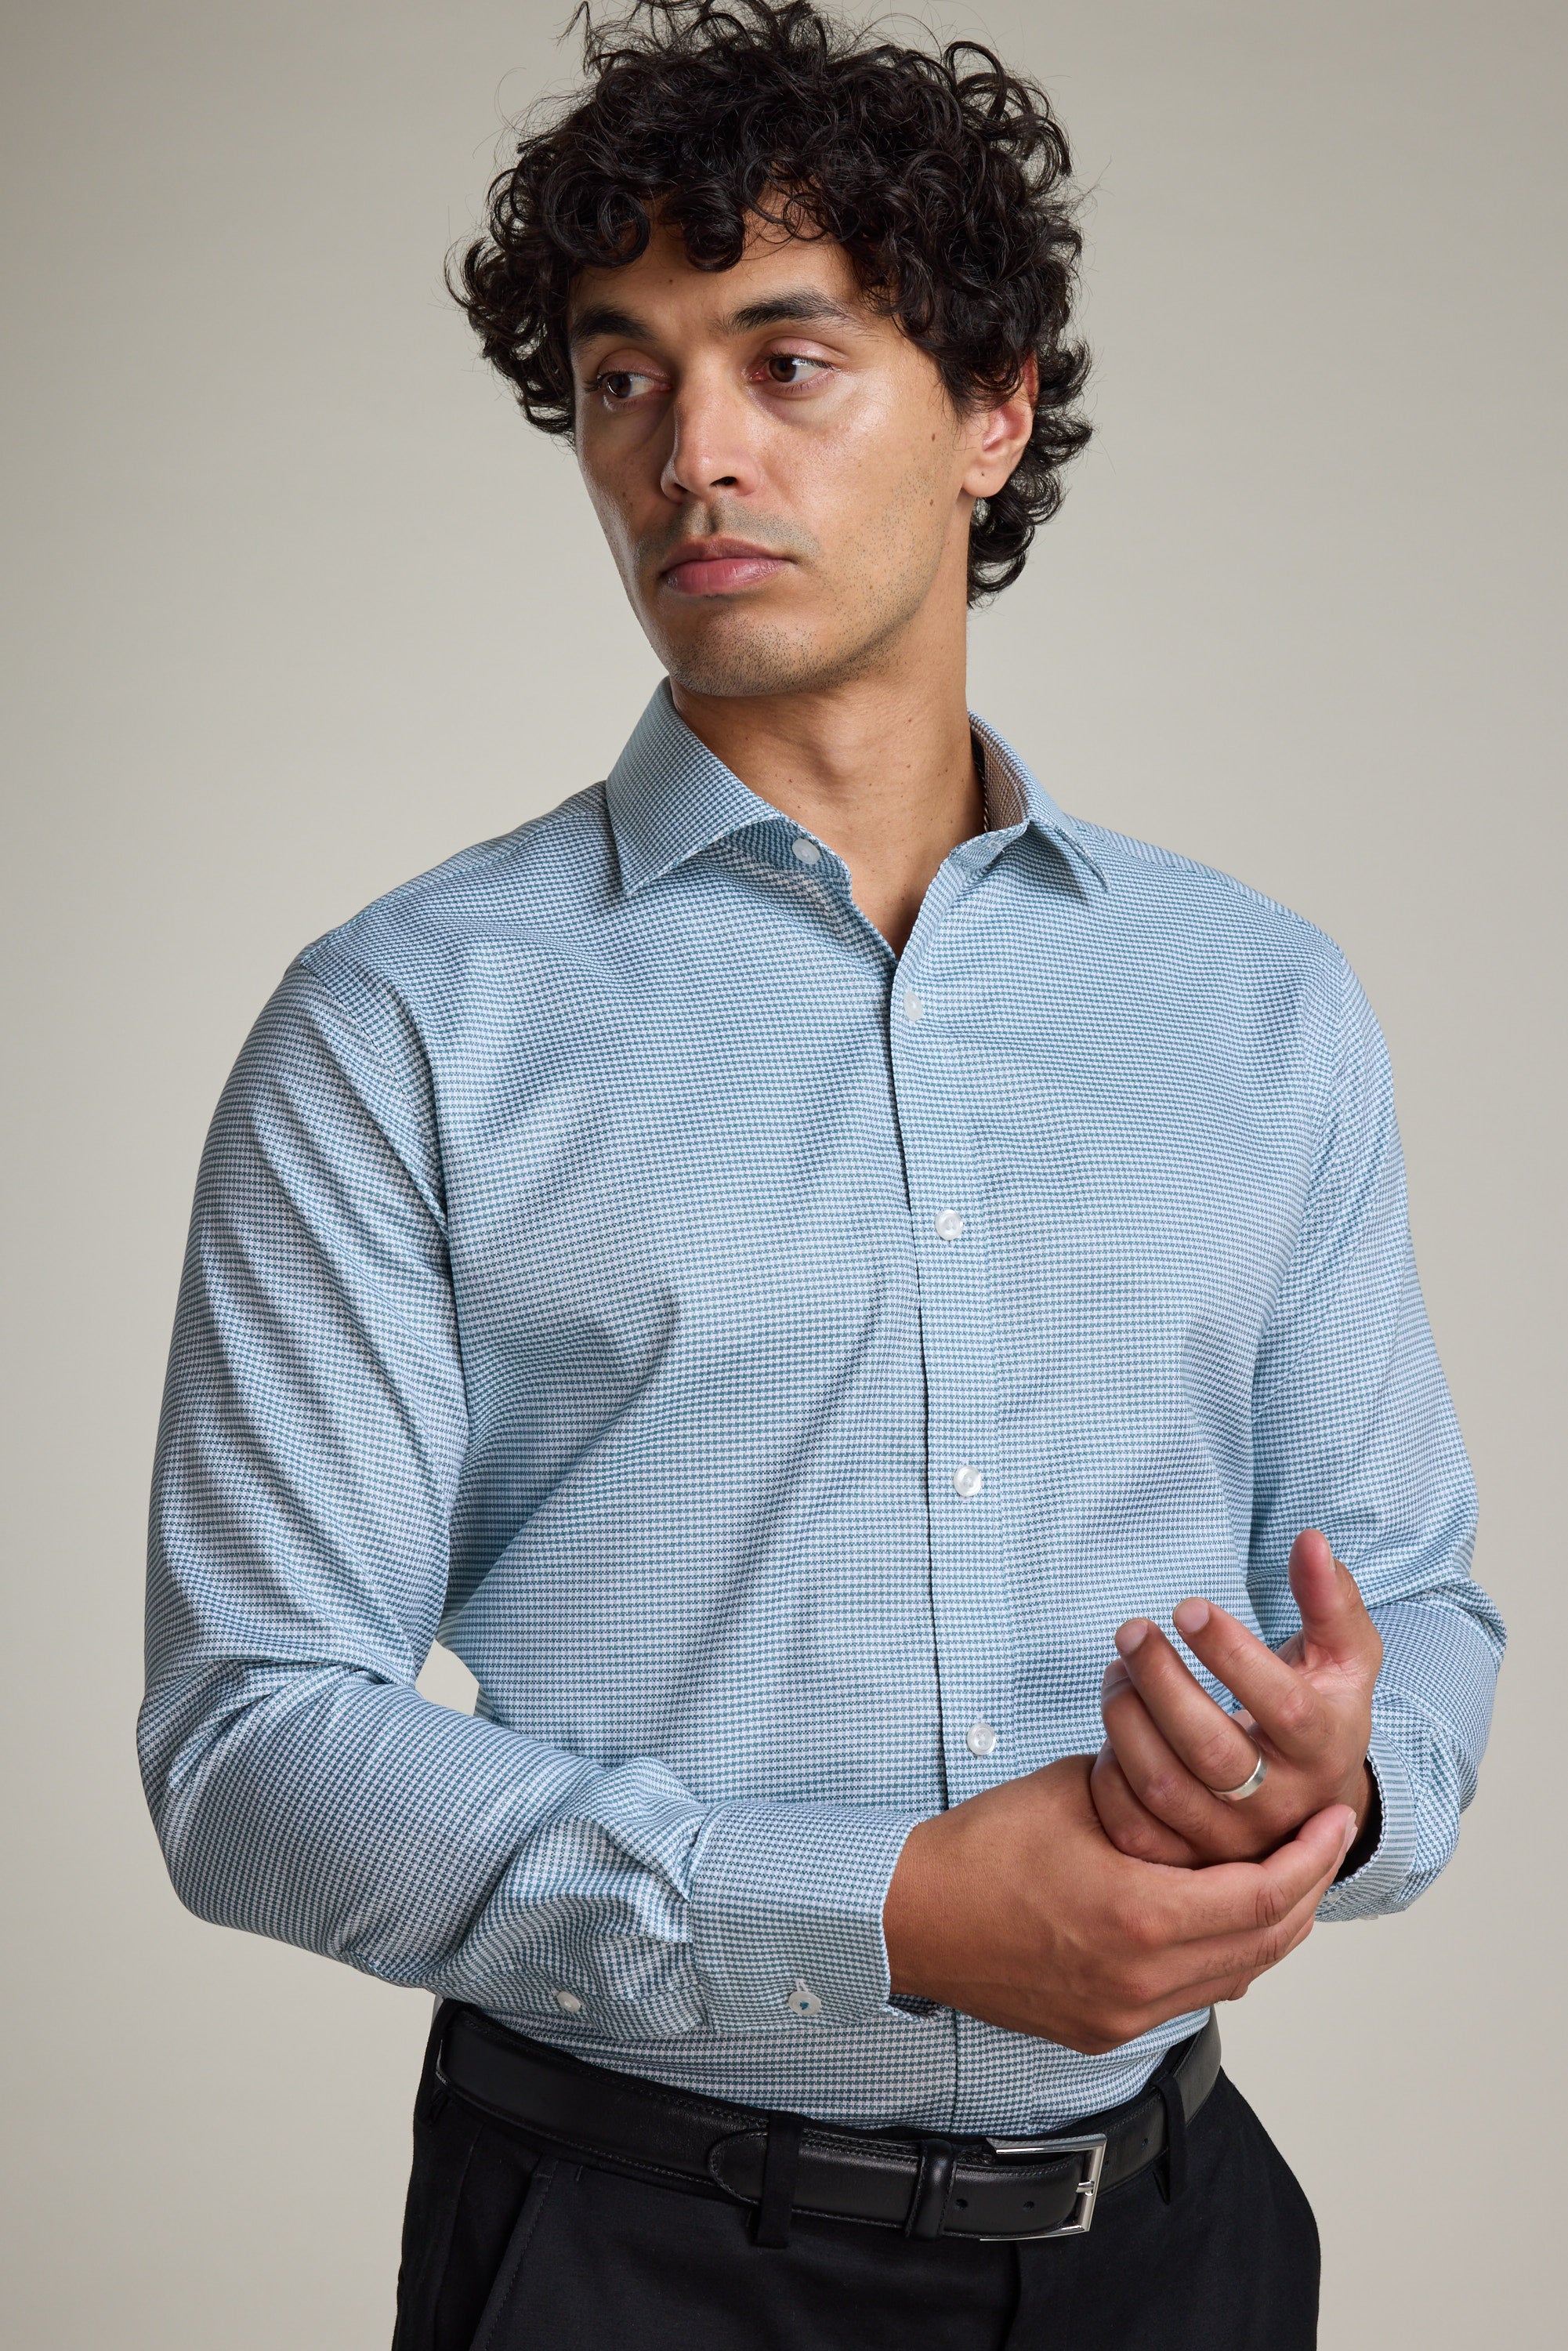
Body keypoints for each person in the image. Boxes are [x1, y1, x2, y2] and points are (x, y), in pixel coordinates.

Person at [139, 4, 1505, 2344]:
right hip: (627, 2257)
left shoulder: (1261, 1005)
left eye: (786, 361)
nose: (691, 455)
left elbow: (1416, 1604)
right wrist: (881, 1912)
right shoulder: (402, 1023)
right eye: (623, 379)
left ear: (992, 409)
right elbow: (250, 1740)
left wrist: (1340, 1785)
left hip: (1173, 2250)